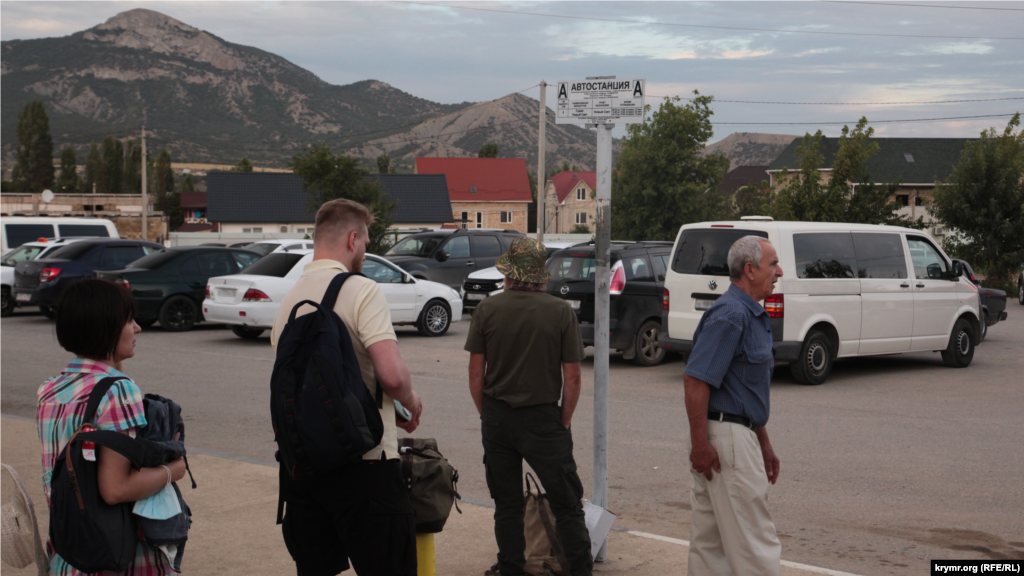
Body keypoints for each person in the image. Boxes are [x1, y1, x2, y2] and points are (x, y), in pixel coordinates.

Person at [270, 198, 423, 576]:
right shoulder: (361, 289)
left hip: (304, 471)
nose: (365, 253)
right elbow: (391, 376)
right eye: (367, 244)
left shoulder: (288, 300)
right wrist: (410, 401)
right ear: (353, 239)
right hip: (367, 466)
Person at [38, 278, 187, 575]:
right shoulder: (118, 390)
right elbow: (115, 489)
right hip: (119, 557)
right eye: (128, 320)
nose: (137, 328)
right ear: (103, 327)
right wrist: (175, 470)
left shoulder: (50, 389)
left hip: (71, 551)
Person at [465, 237, 592, 576]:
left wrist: (487, 413)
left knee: (506, 505)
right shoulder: (560, 311)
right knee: (566, 504)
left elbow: (476, 372)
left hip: (497, 416)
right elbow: (574, 377)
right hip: (543, 418)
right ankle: (580, 570)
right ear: (539, 275)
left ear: (509, 272)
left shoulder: (487, 309)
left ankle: (510, 568)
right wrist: (563, 420)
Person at [682, 235, 784, 576]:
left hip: (736, 436)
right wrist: (699, 444)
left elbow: (742, 388)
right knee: (755, 545)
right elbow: (696, 380)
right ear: (750, 270)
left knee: (712, 548)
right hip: (725, 442)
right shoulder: (731, 314)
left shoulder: (748, 313)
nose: (779, 271)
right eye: (773, 264)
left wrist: (763, 440)